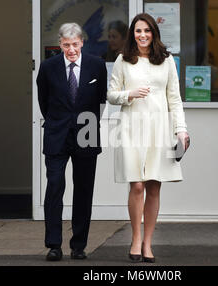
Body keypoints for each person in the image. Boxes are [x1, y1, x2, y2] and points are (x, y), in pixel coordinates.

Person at [107, 13, 190, 263]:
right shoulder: (123, 60)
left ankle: (147, 243)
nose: (142, 35)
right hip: (131, 127)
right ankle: (134, 238)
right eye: (138, 31)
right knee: (137, 185)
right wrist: (129, 94)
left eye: (147, 31)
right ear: (132, 33)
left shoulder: (166, 61)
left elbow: (174, 99)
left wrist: (181, 130)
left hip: (159, 128)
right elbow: (111, 95)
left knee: (154, 185)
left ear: (154, 33)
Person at [36, 23, 107, 261]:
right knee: (54, 186)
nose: (71, 50)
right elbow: (43, 101)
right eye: (66, 45)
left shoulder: (97, 65)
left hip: (86, 133)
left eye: (75, 44)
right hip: (57, 134)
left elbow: (101, 100)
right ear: (60, 44)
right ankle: (54, 244)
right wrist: (59, 122)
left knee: (84, 189)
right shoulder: (48, 67)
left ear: (82, 43)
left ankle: (79, 245)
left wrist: (88, 124)